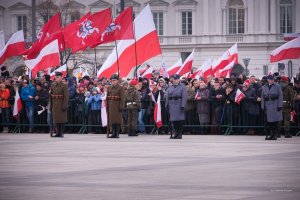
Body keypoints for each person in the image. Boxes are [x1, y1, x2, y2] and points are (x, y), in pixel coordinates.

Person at [165, 74, 188, 139]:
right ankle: (175, 133)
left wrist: (183, 105)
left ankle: (179, 133)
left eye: (176, 79)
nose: (175, 80)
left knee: (179, 121)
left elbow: (184, 96)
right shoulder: (170, 87)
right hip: (172, 105)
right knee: (174, 121)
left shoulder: (182, 87)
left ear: (178, 79)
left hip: (179, 105)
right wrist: (166, 104)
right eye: (174, 79)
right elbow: (167, 96)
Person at [261, 74, 283, 140]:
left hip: (275, 106)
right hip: (267, 106)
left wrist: (279, 105)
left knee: (275, 122)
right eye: (270, 79)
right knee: (269, 122)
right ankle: (271, 134)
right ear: (267, 80)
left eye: (272, 80)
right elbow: (262, 97)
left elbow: (280, 96)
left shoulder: (277, 86)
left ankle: (275, 135)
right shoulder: (264, 87)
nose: (271, 81)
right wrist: (263, 106)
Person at [50, 72, 69, 138]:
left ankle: (61, 133)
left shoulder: (64, 85)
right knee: (56, 120)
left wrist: (65, 105)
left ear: (61, 78)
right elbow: (51, 96)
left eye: (58, 77)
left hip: (61, 104)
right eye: (56, 77)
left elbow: (66, 96)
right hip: (55, 104)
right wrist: (50, 105)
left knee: (62, 119)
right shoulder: (53, 85)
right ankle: (57, 133)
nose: (56, 78)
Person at [107, 74, 125, 138]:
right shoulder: (109, 88)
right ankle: (113, 133)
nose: (113, 82)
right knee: (112, 120)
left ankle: (117, 133)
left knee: (117, 120)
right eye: (111, 81)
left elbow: (123, 98)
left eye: (114, 80)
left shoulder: (121, 88)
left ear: (117, 81)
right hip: (111, 106)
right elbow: (107, 97)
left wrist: (121, 106)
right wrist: (107, 106)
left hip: (117, 106)